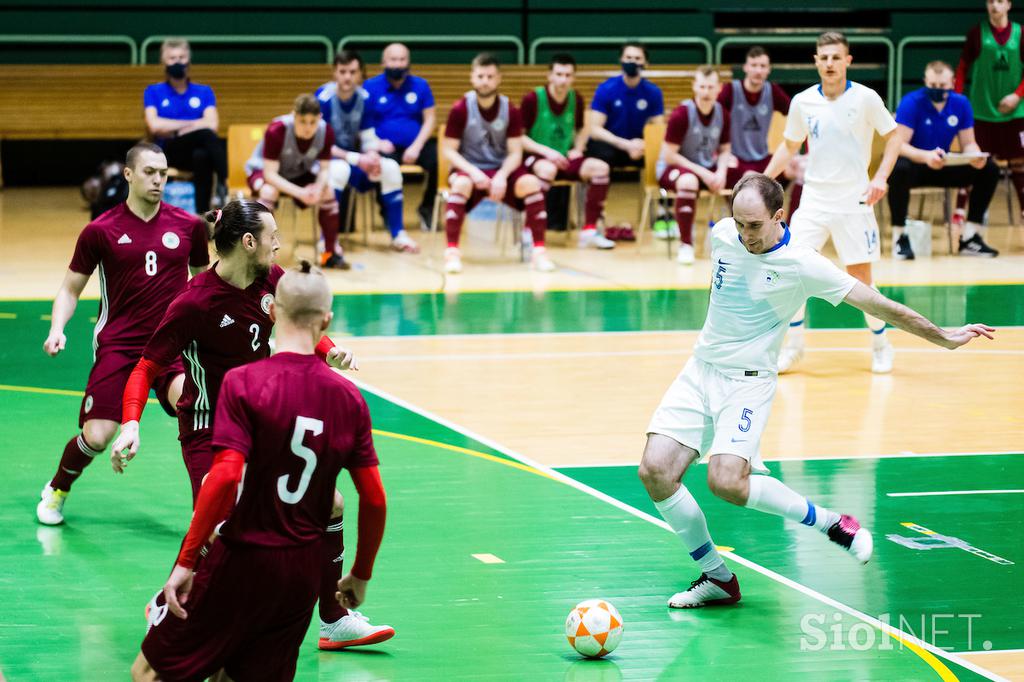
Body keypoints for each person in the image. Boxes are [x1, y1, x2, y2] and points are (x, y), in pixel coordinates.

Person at [639, 174, 994, 609]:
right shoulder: (722, 236)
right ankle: (718, 578)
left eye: (754, 225)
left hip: (747, 383)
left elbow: (878, 304)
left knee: (726, 481)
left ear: (779, 216)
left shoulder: (805, 265)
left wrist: (942, 336)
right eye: (739, 224)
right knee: (655, 471)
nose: (745, 235)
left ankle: (831, 524)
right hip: (700, 370)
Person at [110, 199, 393, 652]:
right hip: (208, 425)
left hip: (262, 418)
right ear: (248, 242)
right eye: (272, 236)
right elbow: (145, 366)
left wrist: (330, 351)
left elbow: (304, 323)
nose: (279, 243)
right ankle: (166, 602)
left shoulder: (271, 281)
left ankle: (334, 619)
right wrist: (130, 424)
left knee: (332, 504)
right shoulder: (194, 302)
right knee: (224, 512)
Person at [36, 142, 209, 526]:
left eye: (164, 173)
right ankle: (58, 487)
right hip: (120, 345)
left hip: (172, 346)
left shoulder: (189, 226)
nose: (159, 180)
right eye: (150, 172)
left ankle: (208, 513)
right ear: (128, 174)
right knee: (97, 436)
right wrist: (57, 329)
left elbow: (203, 286)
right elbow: (69, 289)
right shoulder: (101, 230)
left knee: (195, 411)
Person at [764, 32, 903, 374]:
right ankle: (795, 346)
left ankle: (881, 344)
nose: (829, 63)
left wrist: (880, 177)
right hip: (813, 200)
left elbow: (894, 136)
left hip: (854, 202)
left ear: (847, 61)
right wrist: (762, 180)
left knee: (860, 279)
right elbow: (789, 146)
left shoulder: (867, 98)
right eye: (823, 57)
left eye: (835, 57)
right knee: (790, 272)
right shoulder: (802, 102)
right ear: (816, 61)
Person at [441, 53, 554, 274]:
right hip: (470, 168)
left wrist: (501, 176)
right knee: (461, 185)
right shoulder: (460, 108)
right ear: (472, 78)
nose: (485, 81)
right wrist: (474, 172)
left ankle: (538, 251)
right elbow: (448, 150)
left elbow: (515, 152)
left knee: (531, 183)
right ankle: (452, 253)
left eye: (490, 76)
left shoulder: (510, 109)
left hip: (502, 167)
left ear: (499, 78)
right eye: (480, 76)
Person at [890, 61, 1000, 259]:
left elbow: (968, 143)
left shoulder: (961, 104)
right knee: (899, 169)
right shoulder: (911, 102)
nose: (937, 90)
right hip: (918, 164)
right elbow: (900, 145)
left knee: (989, 169)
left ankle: (970, 237)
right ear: (925, 82)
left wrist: (975, 156)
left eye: (942, 86)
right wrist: (926, 156)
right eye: (932, 85)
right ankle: (900, 238)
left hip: (944, 165)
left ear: (952, 83)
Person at [317, 49, 419, 253]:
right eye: (343, 71)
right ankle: (327, 240)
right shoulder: (323, 98)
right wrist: (358, 158)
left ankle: (398, 234)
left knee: (389, 167)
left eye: (353, 72)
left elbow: (368, 137)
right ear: (334, 73)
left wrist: (372, 155)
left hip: (353, 158)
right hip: (326, 160)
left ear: (361, 74)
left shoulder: (365, 98)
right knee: (338, 171)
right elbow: (321, 145)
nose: (347, 77)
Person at [245, 94, 349, 270]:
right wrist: (300, 193)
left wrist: (317, 188)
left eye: (312, 122)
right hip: (262, 171)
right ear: (294, 116)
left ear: (320, 118)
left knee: (327, 192)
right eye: (302, 121)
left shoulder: (326, 131)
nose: (308, 127)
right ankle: (260, 256)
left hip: (297, 172)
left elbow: (324, 169)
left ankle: (329, 253)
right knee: (269, 192)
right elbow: (270, 175)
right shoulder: (276, 130)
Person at [522, 54, 615, 249]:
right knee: (547, 170)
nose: (563, 79)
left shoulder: (576, 99)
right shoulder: (533, 99)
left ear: (573, 77)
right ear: (549, 75)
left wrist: (578, 148)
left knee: (600, 168)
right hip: (536, 158)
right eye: (559, 74)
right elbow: (518, 138)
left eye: (568, 75)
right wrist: (546, 152)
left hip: (564, 157)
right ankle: (530, 229)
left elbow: (582, 129)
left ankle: (590, 229)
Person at [955, 0, 1024, 228]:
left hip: (1015, 111)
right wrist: (957, 99)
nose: (995, 5)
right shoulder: (977, 33)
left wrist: (1017, 95)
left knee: (1020, 163)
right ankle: (959, 211)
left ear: (1009, 5)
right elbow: (962, 67)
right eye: (991, 1)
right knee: (975, 161)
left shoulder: (1020, 33)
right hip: (982, 111)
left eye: (1000, 1)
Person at [658, 66, 736, 265]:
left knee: (747, 178)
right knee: (688, 181)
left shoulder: (723, 114)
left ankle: (741, 241)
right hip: (673, 168)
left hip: (706, 167)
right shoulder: (682, 114)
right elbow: (669, 156)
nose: (706, 92)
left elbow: (725, 149)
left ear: (719, 88)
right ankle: (686, 244)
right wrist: (704, 173)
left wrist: (721, 172)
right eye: (702, 86)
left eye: (711, 87)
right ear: (694, 87)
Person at [587, 42, 665, 232]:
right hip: (612, 144)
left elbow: (659, 129)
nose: (632, 62)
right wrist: (625, 145)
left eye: (637, 59)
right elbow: (595, 129)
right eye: (628, 58)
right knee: (600, 157)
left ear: (646, 63)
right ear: (621, 60)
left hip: (638, 147)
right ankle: (597, 215)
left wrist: (644, 145)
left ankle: (662, 215)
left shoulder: (653, 92)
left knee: (662, 156)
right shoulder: (606, 89)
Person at [143, 38, 227, 213]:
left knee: (202, 155)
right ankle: (225, 182)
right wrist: (193, 124)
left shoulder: (204, 91)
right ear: (163, 62)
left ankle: (202, 217)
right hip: (167, 151)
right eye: (172, 58)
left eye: (182, 57)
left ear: (188, 60)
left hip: (195, 153)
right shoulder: (153, 91)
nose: (178, 62)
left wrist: (173, 127)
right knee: (204, 134)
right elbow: (154, 126)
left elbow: (212, 124)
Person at [717, 46, 803, 218]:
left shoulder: (772, 91)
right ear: (745, 67)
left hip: (762, 158)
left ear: (769, 70)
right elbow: (713, 120)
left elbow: (797, 113)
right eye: (754, 65)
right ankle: (740, 222)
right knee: (751, 179)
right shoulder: (730, 90)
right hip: (735, 159)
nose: (758, 70)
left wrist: (796, 152)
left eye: (763, 66)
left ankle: (791, 227)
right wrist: (718, 152)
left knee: (797, 169)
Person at [364, 43, 439, 230]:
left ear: (408, 62)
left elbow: (430, 120)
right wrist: (377, 143)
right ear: (383, 62)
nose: (398, 64)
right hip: (385, 146)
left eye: (402, 59)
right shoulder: (371, 86)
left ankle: (427, 208)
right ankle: (387, 212)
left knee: (439, 160)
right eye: (393, 59)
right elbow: (364, 121)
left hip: (416, 144)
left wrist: (417, 146)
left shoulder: (420, 85)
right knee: (380, 165)